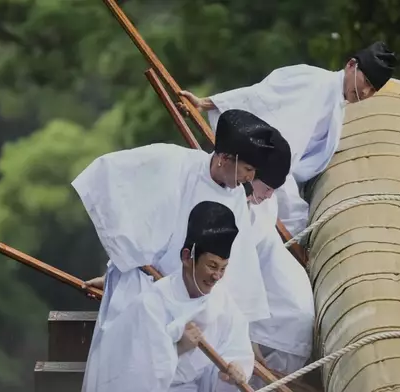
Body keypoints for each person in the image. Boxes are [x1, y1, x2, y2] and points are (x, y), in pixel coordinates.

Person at [74, 109, 289, 374]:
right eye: (247, 169)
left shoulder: (235, 201)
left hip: (196, 304)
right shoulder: (175, 162)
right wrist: (121, 266)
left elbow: (240, 270)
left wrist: (244, 340)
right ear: (224, 158)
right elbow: (120, 188)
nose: (249, 178)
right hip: (147, 288)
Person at [180, 41, 397, 236]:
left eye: (373, 89)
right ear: (351, 65)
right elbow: (260, 96)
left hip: (275, 181)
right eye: (366, 80)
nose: (366, 91)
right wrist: (205, 103)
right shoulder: (311, 81)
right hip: (259, 176)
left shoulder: (337, 105)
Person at [82, 201, 254, 392]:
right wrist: (177, 348)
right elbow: (130, 375)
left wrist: (234, 369)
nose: (217, 277)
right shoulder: (151, 304)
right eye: (212, 266)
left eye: (223, 268)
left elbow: (235, 350)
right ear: (187, 257)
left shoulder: (223, 303)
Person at [245, 147, 315, 384]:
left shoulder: (261, 203)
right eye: (266, 188)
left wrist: (247, 334)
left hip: (281, 310)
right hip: (276, 303)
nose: (268, 194)